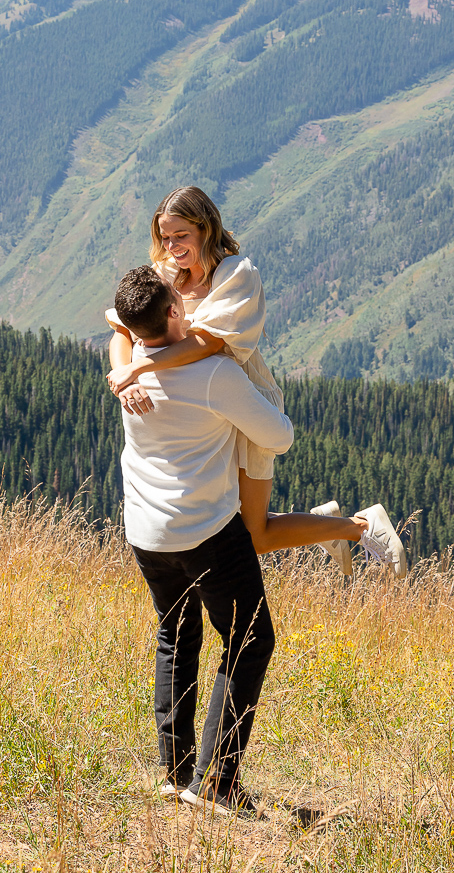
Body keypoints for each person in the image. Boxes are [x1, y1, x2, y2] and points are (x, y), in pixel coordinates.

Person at [106, 186, 405, 576]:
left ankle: (360, 527)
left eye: (181, 235)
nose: (171, 245)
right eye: (165, 236)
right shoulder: (165, 275)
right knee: (225, 519)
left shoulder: (236, 275)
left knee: (255, 534)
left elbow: (208, 342)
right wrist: (126, 379)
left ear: (205, 228)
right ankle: (327, 528)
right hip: (199, 409)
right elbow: (123, 328)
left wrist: (140, 369)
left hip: (241, 398)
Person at [113, 263, 291, 816]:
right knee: (248, 640)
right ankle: (216, 783)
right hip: (206, 530)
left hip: (145, 529)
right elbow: (279, 437)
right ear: (172, 312)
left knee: (175, 633)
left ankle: (174, 771)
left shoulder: (128, 373)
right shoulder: (214, 374)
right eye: (180, 296)